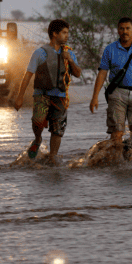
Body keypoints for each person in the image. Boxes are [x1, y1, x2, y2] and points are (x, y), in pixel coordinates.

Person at [13, 19, 82, 161]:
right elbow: (27, 76)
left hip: (61, 97)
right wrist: (20, 97)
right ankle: (38, 139)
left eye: (67, 33)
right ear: (54, 34)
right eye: (64, 33)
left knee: (58, 130)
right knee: (38, 122)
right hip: (42, 96)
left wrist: (70, 60)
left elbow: (78, 73)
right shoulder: (40, 53)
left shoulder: (69, 53)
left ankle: (52, 157)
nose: (67, 36)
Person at [90, 17, 132, 146]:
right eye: (121, 28)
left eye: (127, 28)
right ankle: (117, 163)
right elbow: (102, 73)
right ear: (118, 30)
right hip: (117, 94)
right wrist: (95, 97)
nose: (124, 31)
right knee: (116, 132)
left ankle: (128, 151)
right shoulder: (110, 49)